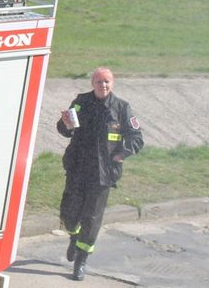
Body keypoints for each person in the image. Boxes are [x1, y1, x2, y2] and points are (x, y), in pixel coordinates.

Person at [57, 67, 144, 281]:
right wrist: (66, 125)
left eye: (106, 82)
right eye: (99, 81)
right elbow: (64, 127)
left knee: (92, 218)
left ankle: (81, 261)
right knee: (69, 213)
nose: (103, 85)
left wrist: (121, 154)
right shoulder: (81, 102)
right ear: (92, 83)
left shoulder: (121, 108)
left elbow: (136, 138)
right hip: (78, 168)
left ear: (112, 83)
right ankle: (73, 236)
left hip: (103, 174)